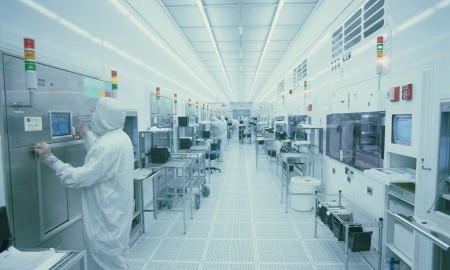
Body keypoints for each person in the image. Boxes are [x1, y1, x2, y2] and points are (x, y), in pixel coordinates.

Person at [35, 97, 134, 270]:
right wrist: (85, 131)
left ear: (104, 117)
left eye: (95, 111)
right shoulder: (120, 137)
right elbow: (101, 158)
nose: (92, 114)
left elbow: (77, 178)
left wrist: (50, 159)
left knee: (105, 263)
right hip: (116, 216)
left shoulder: (108, 146)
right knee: (116, 260)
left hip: (103, 223)